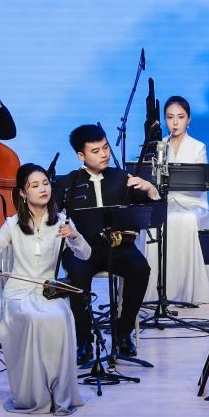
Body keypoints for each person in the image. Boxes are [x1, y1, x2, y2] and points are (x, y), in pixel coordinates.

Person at [0, 163, 90, 414]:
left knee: (60, 317)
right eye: (35, 185)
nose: (43, 189)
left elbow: (85, 255)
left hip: (48, 291)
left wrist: (74, 236)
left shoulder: (62, 221)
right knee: (33, 318)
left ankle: (57, 392)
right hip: (17, 294)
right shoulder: (12, 224)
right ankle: (34, 394)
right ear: (22, 192)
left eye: (46, 183)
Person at [57, 123, 158, 362]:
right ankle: (84, 339)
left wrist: (150, 189)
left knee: (140, 268)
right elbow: (53, 216)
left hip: (118, 246)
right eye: (95, 151)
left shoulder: (122, 178)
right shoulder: (67, 183)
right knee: (77, 275)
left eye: (105, 147)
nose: (104, 154)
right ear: (81, 155)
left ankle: (123, 332)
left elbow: (152, 213)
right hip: (82, 249)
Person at [138, 96, 209, 306]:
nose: (175, 122)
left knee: (187, 220)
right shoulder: (159, 145)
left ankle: (188, 291)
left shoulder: (198, 147)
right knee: (153, 224)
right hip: (164, 201)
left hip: (192, 203)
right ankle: (156, 292)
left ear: (188, 119)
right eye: (170, 117)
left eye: (180, 117)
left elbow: (201, 182)